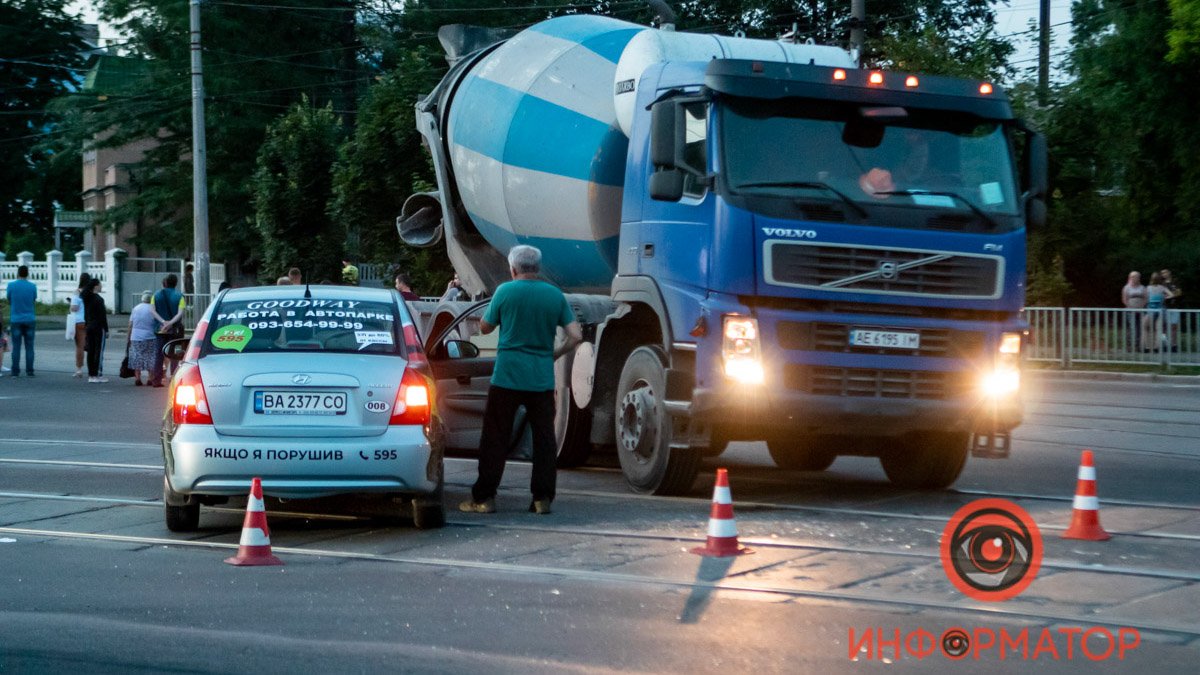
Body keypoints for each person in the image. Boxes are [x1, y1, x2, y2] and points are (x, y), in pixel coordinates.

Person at [459, 245, 582, 515]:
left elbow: (485, 327)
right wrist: (554, 354)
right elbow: (576, 335)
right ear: (537, 268)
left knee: (495, 438)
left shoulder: (505, 291)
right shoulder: (554, 295)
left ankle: (484, 498)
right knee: (544, 440)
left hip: (507, 377)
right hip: (540, 379)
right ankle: (542, 499)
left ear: (513, 268)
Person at [150, 274, 186, 388]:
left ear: (165, 282)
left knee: (158, 354)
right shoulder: (180, 296)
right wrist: (170, 323)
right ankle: (174, 379)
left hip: (159, 329)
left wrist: (163, 322)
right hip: (174, 330)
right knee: (174, 355)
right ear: (176, 283)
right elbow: (180, 313)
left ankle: (156, 380)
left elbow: (152, 311)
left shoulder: (155, 295)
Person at [5, 264, 38, 377]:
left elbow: (9, 300)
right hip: (30, 319)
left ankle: (15, 371)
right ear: (27, 274)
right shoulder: (32, 286)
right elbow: (34, 300)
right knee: (29, 346)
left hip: (16, 319)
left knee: (16, 346)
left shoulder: (11, 285)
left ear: (18, 273)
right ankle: (30, 371)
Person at [81, 278, 109, 383]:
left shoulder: (86, 298)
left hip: (89, 326)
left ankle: (91, 375)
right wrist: (106, 329)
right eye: (101, 284)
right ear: (96, 286)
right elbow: (102, 316)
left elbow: (85, 314)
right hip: (98, 327)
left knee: (90, 351)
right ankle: (97, 374)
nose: (101, 286)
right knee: (99, 351)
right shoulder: (99, 299)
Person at [127, 292, 158, 386]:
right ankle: (150, 378)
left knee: (137, 356)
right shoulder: (153, 309)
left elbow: (130, 324)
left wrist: (128, 337)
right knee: (151, 357)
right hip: (150, 335)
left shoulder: (135, 308)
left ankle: (137, 377)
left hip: (136, 336)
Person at [66, 273, 92, 377]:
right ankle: (93, 369)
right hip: (89, 321)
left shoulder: (77, 292)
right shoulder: (90, 293)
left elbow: (74, 308)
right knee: (91, 346)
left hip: (79, 322)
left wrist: (70, 303)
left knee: (80, 347)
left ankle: (79, 369)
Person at [1143, 272, 1175, 352]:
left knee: (1146, 327)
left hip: (1151, 310)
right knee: (1158, 329)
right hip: (1161, 309)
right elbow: (1172, 295)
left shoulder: (1148, 288)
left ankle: (1147, 346)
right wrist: (1164, 297)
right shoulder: (1162, 288)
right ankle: (1156, 347)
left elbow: (1145, 298)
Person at [1121, 270, 1147, 352]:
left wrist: (1141, 307)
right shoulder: (1126, 288)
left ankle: (1138, 346)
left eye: (1136, 277)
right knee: (1132, 328)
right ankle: (1129, 346)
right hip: (1130, 311)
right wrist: (1130, 308)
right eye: (1133, 277)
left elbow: (1145, 299)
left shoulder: (1142, 287)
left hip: (1140, 311)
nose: (1134, 278)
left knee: (1139, 328)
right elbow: (1124, 299)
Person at [1160, 269, 1182, 351]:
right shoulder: (1162, 284)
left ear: (1169, 272)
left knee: (1174, 326)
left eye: (1165, 272)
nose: (1164, 274)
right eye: (1162, 273)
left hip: (1174, 306)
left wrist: (1171, 296)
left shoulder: (1175, 281)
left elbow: (1179, 292)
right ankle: (1165, 344)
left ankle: (1174, 345)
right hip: (1164, 306)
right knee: (1164, 326)